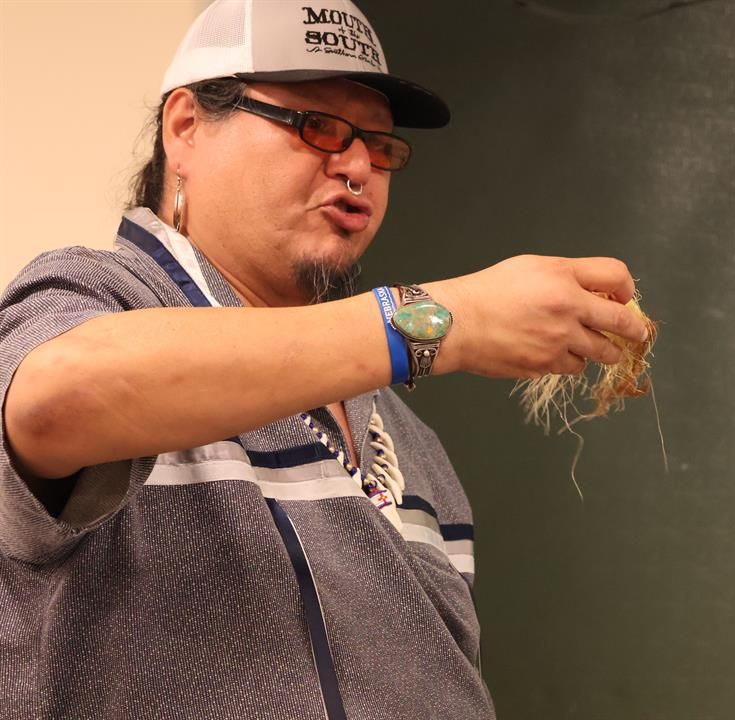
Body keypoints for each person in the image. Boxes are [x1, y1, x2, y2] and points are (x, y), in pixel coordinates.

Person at [0, 1, 648, 718]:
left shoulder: (409, 438)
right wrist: (441, 322)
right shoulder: (100, 294)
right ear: (184, 128)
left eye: (379, 144)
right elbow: (58, 397)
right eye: (317, 126)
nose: (357, 165)